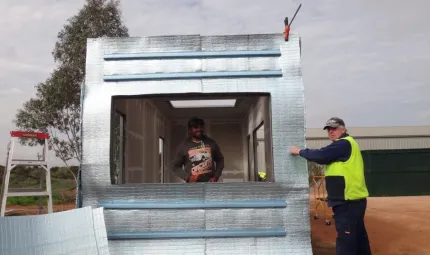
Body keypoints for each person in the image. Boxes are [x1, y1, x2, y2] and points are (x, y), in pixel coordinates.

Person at [289, 117, 372, 255]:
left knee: (346, 241)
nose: (331, 132)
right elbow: (325, 158)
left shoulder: (343, 144)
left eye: (334, 128)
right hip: (353, 200)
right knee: (358, 237)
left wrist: (300, 152)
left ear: (343, 129)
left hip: (348, 201)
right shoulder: (346, 144)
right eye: (328, 129)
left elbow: (322, 155)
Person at [172, 117, 225, 183]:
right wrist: (187, 177)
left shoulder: (211, 143)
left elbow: (220, 160)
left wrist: (216, 176)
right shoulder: (183, 146)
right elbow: (175, 167)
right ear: (189, 130)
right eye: (196, 127)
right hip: (192, 187)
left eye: (201, 127)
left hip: (210, 184)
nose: (199, 129)